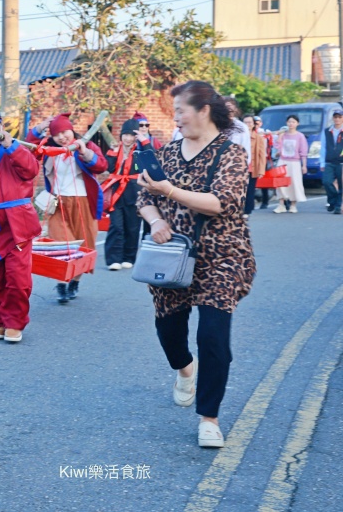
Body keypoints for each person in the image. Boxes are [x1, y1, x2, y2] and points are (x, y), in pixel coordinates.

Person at [136, 80, 255, 449]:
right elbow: (143, 196)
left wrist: (168, 191)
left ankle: (209, 418)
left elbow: (222, 202)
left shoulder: (231, 153)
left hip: (223, 257)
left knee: (213, 336)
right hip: (172, 257)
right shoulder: (169, 152)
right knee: (170, 333)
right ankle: (185, 370)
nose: (176, 119)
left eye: (180, 111)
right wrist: (156, 220)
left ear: (203, 110)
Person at [0, 103, 42, 343]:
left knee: (18, 279)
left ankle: (14, 322)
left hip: (16, 226)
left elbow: (32, 170)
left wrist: (10, 144)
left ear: (1, 124)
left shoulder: (15, 149)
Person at [27, 113, 107, 303]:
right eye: (57, 134)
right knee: (60, 244)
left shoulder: (85, 144)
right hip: (58, 202)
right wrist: (40, 128)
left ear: (72, 130)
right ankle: (62, 282)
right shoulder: (48, 149)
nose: (62, 137)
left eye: (65, 132)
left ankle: (75, 281)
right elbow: (28, 147)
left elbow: (101, 165)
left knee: (83, 245)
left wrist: (85, 152)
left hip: (83, 202)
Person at [103, 119, 143, 270]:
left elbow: (142, 168)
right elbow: (109, 168)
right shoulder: (114, 150)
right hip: (116, 193)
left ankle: (129, 257)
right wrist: (113, 154)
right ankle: (114, 259)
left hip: (134, 192)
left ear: (135, 137)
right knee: (116, 226)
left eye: (131, 135)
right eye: (125, 135)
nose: (127, 138)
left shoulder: (140, 152)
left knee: (132, 227)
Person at [273, 114, 308, 213]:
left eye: (293, 122)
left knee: (294, 183)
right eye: (289, 122)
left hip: (295, 162)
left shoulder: (300, 136)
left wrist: (304, 165)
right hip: (283, 160)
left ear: (297, 123)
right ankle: (281, 204)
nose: (291, 124)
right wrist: (279, 137)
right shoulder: (283, 134)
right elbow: (277, 146)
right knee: (280, 182)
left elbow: (303, 151)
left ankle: (293, 205)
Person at [319, 107, 343, 215]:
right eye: (335, 117)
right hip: (329, 161)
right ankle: (332, 201)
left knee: (341, 184)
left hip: (341, 162)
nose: (337, 119)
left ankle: (338, 206)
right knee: (327, 182)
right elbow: (323, 147)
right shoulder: (327, 131)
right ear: (333, 118)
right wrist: (322, 162)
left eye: (339, 117)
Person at [242, 115, 267, 217]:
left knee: (250, 189)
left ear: (253, 125)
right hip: (240, 167)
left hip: (252, 167)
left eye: (249, 122)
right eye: (245, 122)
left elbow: (262, 155)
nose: (247, 125)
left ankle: (247, 210)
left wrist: (261, 170)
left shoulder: (258, 138)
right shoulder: (239, 136)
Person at [254, 114, 274, 209]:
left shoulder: (265, 133)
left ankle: (265, 201)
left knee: (263, 181)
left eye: (257, 123)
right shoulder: (247, 133)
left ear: (261, 123)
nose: (255, 125)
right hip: (251, 160)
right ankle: (251, 201)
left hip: (263, 159)